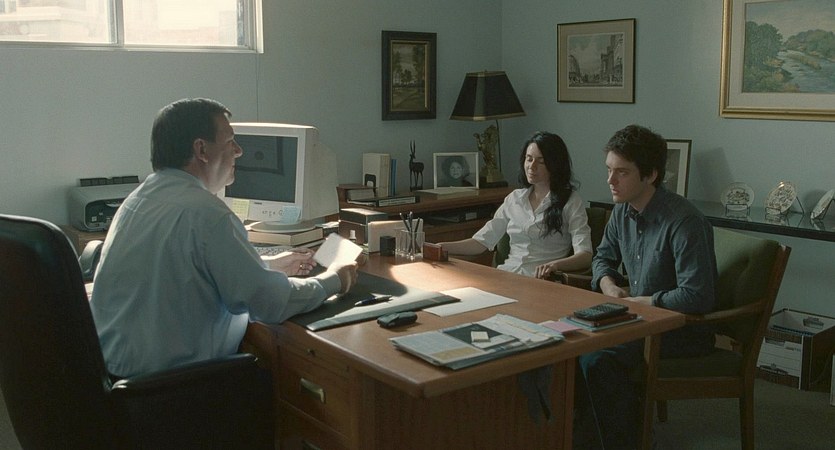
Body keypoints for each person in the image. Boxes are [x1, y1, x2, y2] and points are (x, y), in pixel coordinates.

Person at [90, 98, 358, 378]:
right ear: (202, 150)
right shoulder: (208, 214)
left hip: (118, 376)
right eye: (230, 141)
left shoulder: (138, 200)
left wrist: (264, 267)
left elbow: (179, 274)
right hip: (175, 385)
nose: (239, 151)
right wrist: (335, 280)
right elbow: (269, 304)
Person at [575, 124, 717, 449]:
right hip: (636, 319)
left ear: (650, 175)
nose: (610, 180)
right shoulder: (621, 212)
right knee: (569, 349)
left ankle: (627, 442)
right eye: (609, 170)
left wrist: (645, 302)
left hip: (681, 329)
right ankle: (586, 438)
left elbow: (698, 295)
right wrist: (609, 286)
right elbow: (602, 258)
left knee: (597, 360)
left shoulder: (684, 222)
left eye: (621, 172)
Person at [436, 131, 592, 279]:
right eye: (529, 159)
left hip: (541, 281)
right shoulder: (514, 199)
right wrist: (440, 246)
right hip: (507, 275)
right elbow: (481, 242)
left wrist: (555, 265)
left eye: (541, 162)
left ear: (555, 165)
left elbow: (585, 255)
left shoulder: (570, 201)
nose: (532, 166)